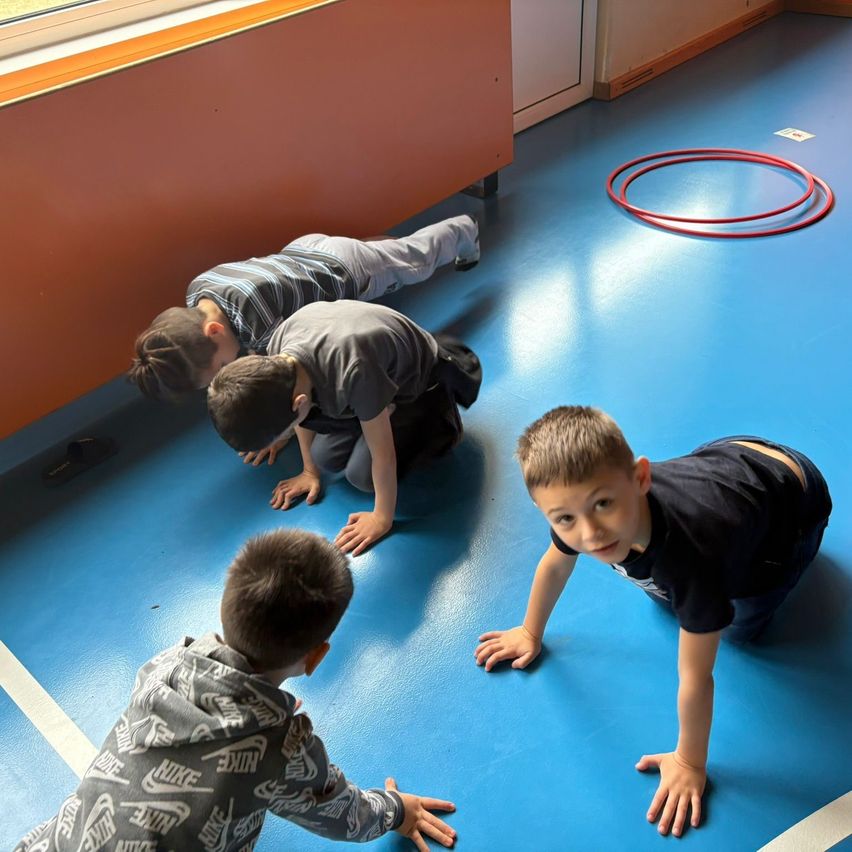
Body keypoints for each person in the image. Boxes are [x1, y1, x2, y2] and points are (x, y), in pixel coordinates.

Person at [474, 406, 831, 839]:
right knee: (669, 594)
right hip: (731, 456)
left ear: (641, 478)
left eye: (603, 504)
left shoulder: (692, 557)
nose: (589, 534)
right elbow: (556, 562)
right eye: (565, 518)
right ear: (546, 510)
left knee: (739, 630)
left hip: (794, 501)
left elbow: (696, 677)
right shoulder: (576, 500)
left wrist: (690, 762)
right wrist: (530, 630)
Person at [15, 529, 457, 852]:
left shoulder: (161, 667)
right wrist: (396, 809)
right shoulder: (281, 749)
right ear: (316, 658)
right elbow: (341, 815)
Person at [207, 300, 480, 555]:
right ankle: (376, 412)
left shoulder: (354, 371)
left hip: (421, 385)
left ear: (299, 402)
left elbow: (383, 457)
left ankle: (440, 422)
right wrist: (309, 470)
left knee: (362, 477)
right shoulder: (279, 355)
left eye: (282, 434)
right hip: (366, 381)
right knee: (324, 457)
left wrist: (381, 518)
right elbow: (302, 418)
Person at [128, 214, 480, 398]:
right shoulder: (198, 290)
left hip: (345, 272)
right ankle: (384, 248)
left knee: (415, 262)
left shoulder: (256, 325)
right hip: (302, 252)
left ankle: (463, 231)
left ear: (214, 330)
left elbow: (286, 375)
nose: (228, 367)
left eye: (222, 364)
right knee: (387, 254)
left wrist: (276, 432)